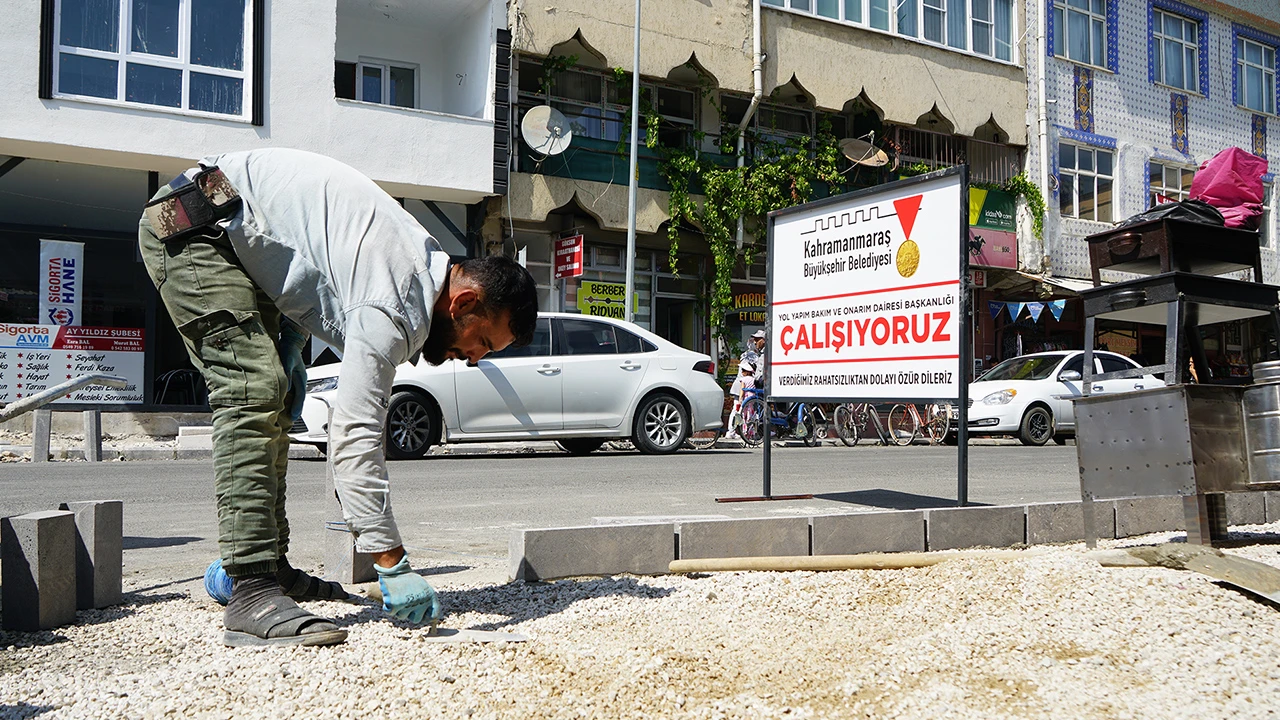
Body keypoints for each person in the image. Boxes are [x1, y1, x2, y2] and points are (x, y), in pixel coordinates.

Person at [138, 148, 537, 648]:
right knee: (252, 388)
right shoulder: (394, 300)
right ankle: (251, 588)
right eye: (483, 342)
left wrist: (291, 340)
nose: (475, 359)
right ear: (464, 302)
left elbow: (310, 256)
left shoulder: (418, 267)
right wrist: (391, 563)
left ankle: (270, 567)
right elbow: (354, 436)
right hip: (192, 225)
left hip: (236, 231)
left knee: (276, 392)